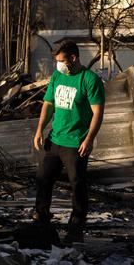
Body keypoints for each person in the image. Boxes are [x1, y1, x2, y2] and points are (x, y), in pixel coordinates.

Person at [32, 40, 105, 243]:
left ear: (73, 58)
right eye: (57, 61)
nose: (59, 65)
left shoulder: (89, 80)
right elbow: (48, 104)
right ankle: (41, 218)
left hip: (76, 143)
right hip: (55, 139)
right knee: (43, 179)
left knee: (77, 185)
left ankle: (76, 227)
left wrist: (89, 139)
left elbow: (97, 113)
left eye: (62, 61)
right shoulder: (57, 76)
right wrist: (40, 130)